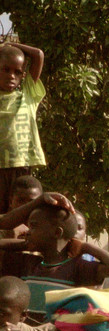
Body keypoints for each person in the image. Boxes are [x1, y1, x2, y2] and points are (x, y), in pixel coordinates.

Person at [0, 195, 109, 320]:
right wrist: (25, 244)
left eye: (33, 226)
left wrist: (84, 247)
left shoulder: (77, 268)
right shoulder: (29, 263)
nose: (28, 231)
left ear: (57, 233)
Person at [0, 41, 44, 214]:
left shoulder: (27, 95)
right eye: (6, 69)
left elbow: (38, 55)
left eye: (17, 72)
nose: (12, 75)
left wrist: (9, 44)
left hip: (21, 165)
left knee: (21, 212)